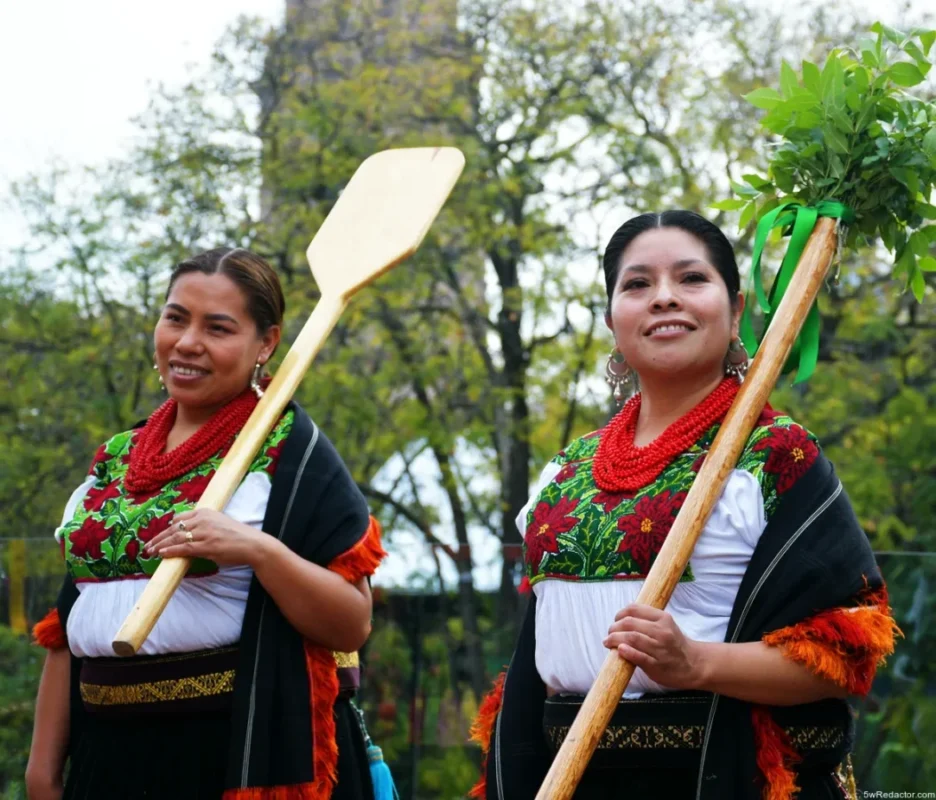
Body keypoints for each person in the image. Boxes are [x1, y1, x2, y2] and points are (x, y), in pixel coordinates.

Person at [469, 211, 898, 799]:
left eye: (692, 279)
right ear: (611, 320)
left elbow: (846, 654)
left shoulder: (773, 456)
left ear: (736, 311)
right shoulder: (563, 472)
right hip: (568, 779)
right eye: (637, 284)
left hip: (718, 779)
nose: (664, 298)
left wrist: (694, 661)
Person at [26, 248, 388, 800]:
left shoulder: (291, 455)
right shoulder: (114, 458)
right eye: (175, 318)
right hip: (105, 760)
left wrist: (258, 550)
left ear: (265, 343)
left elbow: (350, 625)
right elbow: (70, 623)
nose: (188, 342)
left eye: (218, 328)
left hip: (229, 754)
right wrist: (43, 774)